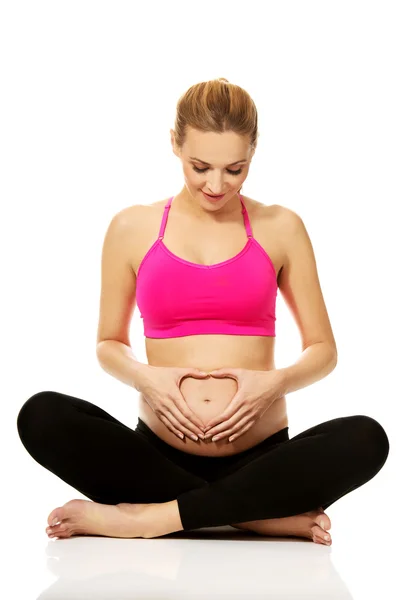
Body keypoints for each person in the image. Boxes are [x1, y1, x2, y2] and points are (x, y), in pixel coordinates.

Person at [17, 77, 390, 543]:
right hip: (155, 457)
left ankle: (151, 519)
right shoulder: (132, 226)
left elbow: (323, 350)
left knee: (367, 439)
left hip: (263, 456)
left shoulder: (282, 227)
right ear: (175, 145)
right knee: (41, 415)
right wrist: (145, 378)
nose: (216, 185)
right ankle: (251, 515)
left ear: (253, 153)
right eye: (200, 167)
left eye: (235, 169)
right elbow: (108, 342)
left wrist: (272, 384)